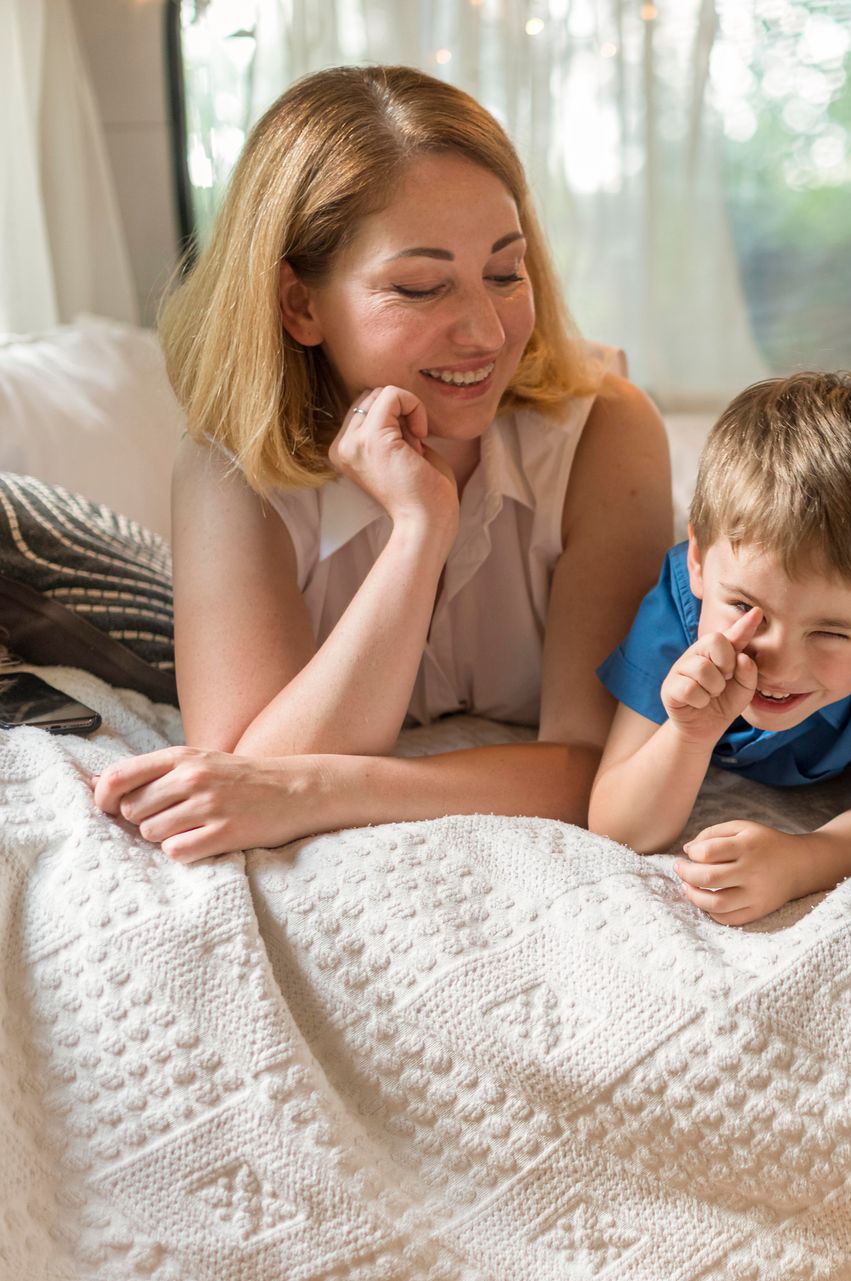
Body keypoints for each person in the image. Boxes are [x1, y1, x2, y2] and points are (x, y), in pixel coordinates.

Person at [91, 66, 674, 858]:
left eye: (506, 273)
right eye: (422, 287)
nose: (487, 332)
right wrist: (418, 529)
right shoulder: (230, 469)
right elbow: (240, 768)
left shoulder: (606, 429)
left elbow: (599, 770)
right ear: (299, 305)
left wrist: (322, 789)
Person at [590, 372, 851, 927]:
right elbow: (618, 826)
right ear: (698, 560)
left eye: (832, 633)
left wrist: (801, 862)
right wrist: (688, 734)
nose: (781, 662)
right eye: (746, 609)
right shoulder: (681, 608)